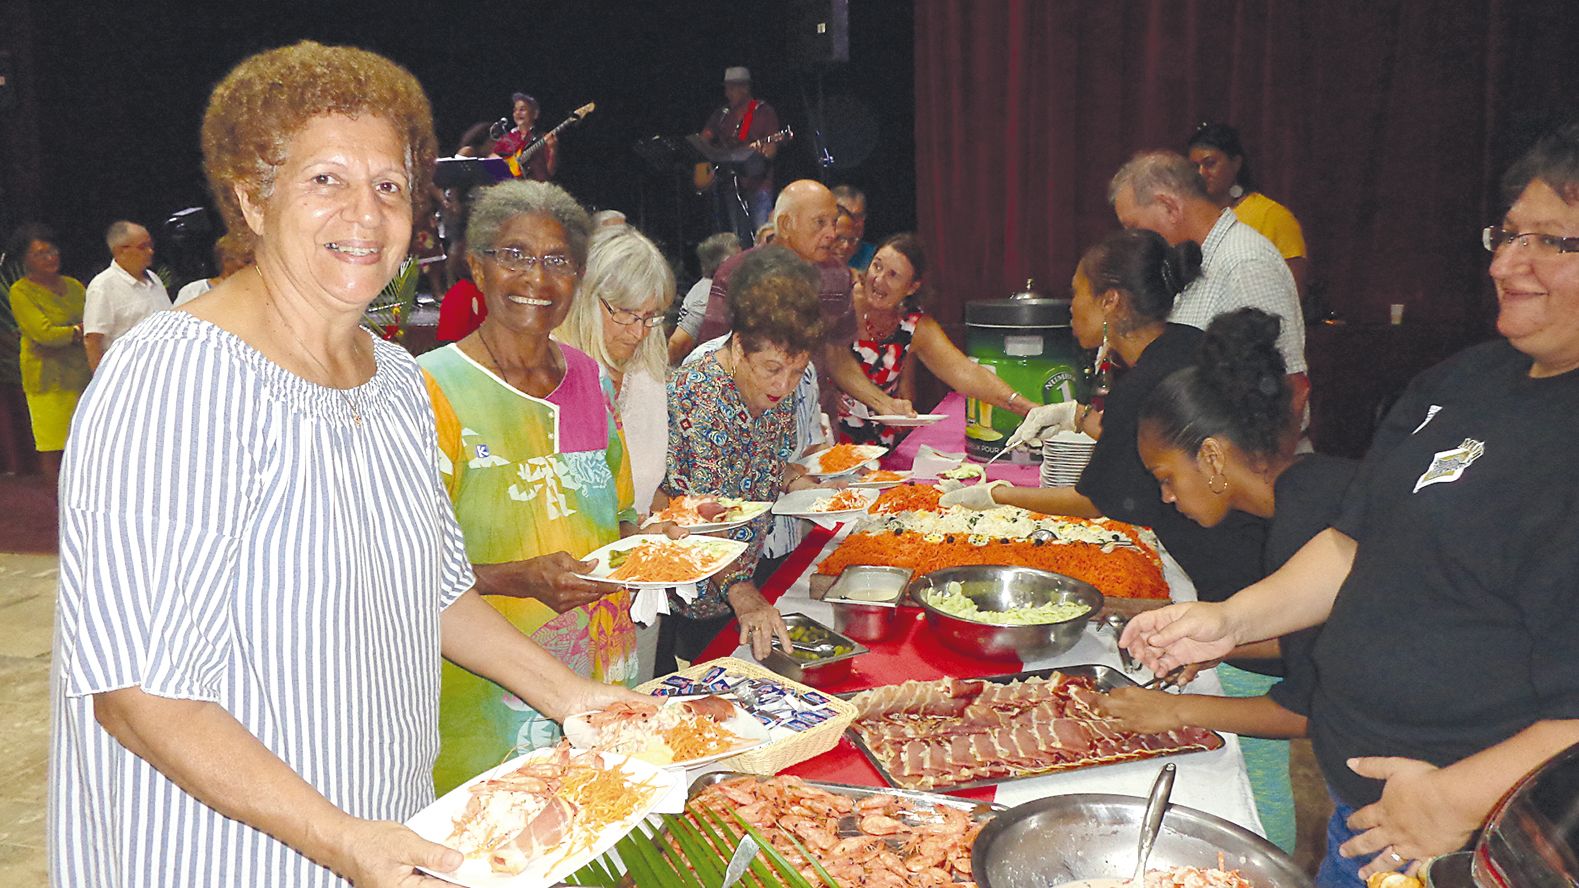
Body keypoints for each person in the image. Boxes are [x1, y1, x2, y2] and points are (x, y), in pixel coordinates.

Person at [49, 42, 638, 888]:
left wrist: (576, 701)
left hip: (382, 832)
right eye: (325, 179)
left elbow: (435, 592)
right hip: (234, 855)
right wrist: (338, 839)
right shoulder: (177, 379)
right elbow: (139, 696)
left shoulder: (395, 381)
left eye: (389, 185)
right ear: (251, 198)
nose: (365, 213)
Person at [1121, 121, 1579, 887]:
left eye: (1551, 243)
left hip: (1473, 844)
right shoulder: (1461, 381)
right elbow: (1352, 544)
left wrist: (1454, 801)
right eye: (1504, 236)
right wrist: (1228, 621)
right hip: (1363, 808)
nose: (1505, 264)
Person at [418, 180, 677, 793]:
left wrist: (655, 544)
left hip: (605, 676)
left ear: (578, 279)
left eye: (557, 260)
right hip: (486, 702)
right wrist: (517, 577)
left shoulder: (592, 381)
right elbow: (407, 572)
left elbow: (617, 518)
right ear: (477, 267)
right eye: (515, 255)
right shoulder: (430, 390)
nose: (537, 277)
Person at [1097, 307, 1358, 854]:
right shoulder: (1313, 488)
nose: (1167, 498)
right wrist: (1225, 644)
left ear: (1212, 457)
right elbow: (1322, 641)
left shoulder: (1307, 525)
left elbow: (1309, 708)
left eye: (1167, 479)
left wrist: (1174, 710)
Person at [942, 229, 1268, 603]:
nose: (1071, 306)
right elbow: (1137, 439)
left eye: (1078, 292)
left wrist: (995, 494)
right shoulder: (1184, 340)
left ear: (1110, 301)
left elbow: (1098, 500)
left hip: (1223, 569)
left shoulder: (1144, 381)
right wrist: (1077, 417)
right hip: (1253, 536)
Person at [659, 245, 836, 672]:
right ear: (738, 347)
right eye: (773, 368)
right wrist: (742, 590)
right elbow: (695, 514)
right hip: (689, 592)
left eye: (796, 372)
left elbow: (763, 462)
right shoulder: (700, 395)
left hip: (743, 576)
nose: (784, 385)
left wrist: (796, 482)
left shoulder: (774, 389)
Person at [1108, 150, 1308, 419]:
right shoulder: (1195, 262)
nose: (1133, 238)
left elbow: (1289, 387)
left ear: (1169, 207)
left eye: (1133, 225)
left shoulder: (1244, 263)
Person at [696, 179, 914, 424]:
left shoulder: (836, 274)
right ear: (786, 224)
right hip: (749, 425)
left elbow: (837, 355)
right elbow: (712, 357)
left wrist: (884, 403)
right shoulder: (737, 273)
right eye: (820, 223)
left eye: (833, 222)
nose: (832, 233)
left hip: (815, 422)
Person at [838, 233, 1027, 446]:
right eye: (877, 266)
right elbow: (828, 362)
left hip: (876, 448)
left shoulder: (914, 325)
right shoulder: (840, 303)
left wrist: (1025, 407)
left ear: (912, 287)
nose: (879, 280)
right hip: (826, 442)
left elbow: (966, 372)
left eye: (893, 275)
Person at [556, 224, 675, 514]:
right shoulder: (549, 374)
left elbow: (646, 490)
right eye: (625, 314)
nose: (639, 333)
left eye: (649, 317)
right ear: (586, 299)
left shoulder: (647, 373)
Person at [1187, 123, 1311, 302]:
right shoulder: (1189, 217)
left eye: (1210, 164)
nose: (1201, 173)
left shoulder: (1273, 216)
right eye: (1194, 167)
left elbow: (1292, 291)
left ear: (1236, 163)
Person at [6, 224, 89, 481]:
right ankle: (60, 507)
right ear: (25, 260)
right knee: (53, 446)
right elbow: (44, 334)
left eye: (52, 251)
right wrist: (76, 331)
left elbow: (94, 324)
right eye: (40, 253)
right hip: (47, 381)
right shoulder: (21, 291)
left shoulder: (74, 286)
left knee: (87, 442)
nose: (50, 257)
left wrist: (68, 333)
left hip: (83, 375)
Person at [699, 66, 781, 246]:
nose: (727, 94)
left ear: (744, 89)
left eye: (731, 89)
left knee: (763, 236)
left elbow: (772, 149)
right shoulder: (722, 114)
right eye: (726, 88)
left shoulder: (762, 112)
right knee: (738, 238)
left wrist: (762, 150)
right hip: (731, 184)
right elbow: (704, 138)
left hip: (759, 185)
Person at [82, 219, 168, 371]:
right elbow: (93, 341)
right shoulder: (103, 286)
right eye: (143, 247)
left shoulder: (154, 279)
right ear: (120, 251)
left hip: (165, 368)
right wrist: (102, 384)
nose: (150, 251)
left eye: (150, 245)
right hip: (130, 375)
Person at [670, 232, 741, 364]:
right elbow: (678, 343)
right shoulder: (710, 294)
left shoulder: (708, 285)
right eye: (738, 258)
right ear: (723, 263)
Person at [172, 231, 255, 307]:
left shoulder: (254, 289)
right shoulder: (194, 291)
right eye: (246, 261)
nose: (251, 265)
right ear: (226, 260)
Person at [490, 91, 557, 181]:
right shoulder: (508, 137)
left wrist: (553, 149)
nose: (517, 113)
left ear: (535, 114)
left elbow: (550, 172)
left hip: (535, 188)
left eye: (522, 109)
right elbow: (491, 158)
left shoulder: (544, 138)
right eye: (515, 110)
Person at [833, 184, 876, 270]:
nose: (852, 222)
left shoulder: (874, 256)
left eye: (858, 216)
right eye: (845, 214)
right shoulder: (815, 255)